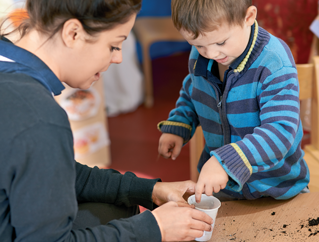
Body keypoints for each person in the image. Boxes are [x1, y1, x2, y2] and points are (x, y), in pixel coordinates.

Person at [0, 0, 214, 241]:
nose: (118, 58)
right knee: (124, 217)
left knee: (119, 205)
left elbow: (55, 173)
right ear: (73, 33)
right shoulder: (39, 118)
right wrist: (156, 229)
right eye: (114, 46)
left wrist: (149, 190)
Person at [157, 0, 310, 203]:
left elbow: (280, 131)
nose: (211, 54)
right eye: (198, 45)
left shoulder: (274, 63)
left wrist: (225, 162)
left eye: (220, 43)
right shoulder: (200, 56)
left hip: (278, 189)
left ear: (248, 17)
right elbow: (192, 92)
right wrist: (179, 125)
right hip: (225, 190)